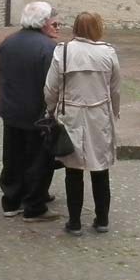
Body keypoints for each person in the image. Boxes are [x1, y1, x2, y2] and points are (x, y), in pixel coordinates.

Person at [44, 12, 122, 235]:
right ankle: (102, 219)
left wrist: (50, 109)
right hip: (99, 114)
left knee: (74, 169)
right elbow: (115, 88)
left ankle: (75, 222)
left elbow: (51, 88)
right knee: (100, 168)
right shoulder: (107, 53)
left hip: (71, 114)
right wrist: (114, 111)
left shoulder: (64, 51)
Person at [0, 0, 62, 221]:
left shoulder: (9, 42)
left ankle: (11, 200)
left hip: (11, 109)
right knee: (38, 160)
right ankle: (34, 205)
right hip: (37, 113)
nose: (57, 26)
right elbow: (52, 86)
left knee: (13, 157)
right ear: (43, 23)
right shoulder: (49, 48)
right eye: (54, 22)